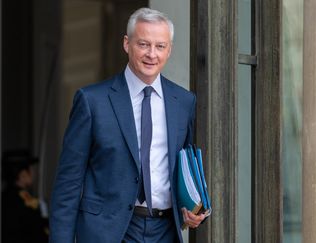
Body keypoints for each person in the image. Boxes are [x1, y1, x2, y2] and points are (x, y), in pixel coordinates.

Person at [49, 7, 205, 243]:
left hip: (165, 231)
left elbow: (182, 169)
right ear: (126, 44)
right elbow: (68, 184)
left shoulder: (184, 102)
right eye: (143, 44)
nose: (152, 54)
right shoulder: (92, 101)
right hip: (108, 232)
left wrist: (191, 209)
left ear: (169, 50)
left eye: (160, 46)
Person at [2, 149, 49, 243]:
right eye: (31, 169)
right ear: (23, 174)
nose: (34, 173)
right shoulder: (27, 202)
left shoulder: (4, 197)